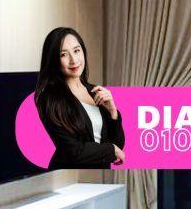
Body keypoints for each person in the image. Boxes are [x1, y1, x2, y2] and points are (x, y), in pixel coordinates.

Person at [35, 27, 126, 169]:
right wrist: (111, 149)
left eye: (77, 51)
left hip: (97, 176)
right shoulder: (50, 99)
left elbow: (118, 145)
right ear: (54, 60)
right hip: (68, 177)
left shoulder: (95, 91)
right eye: (64, 54)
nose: (73, 60)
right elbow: (73, 151)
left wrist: (113, 113)